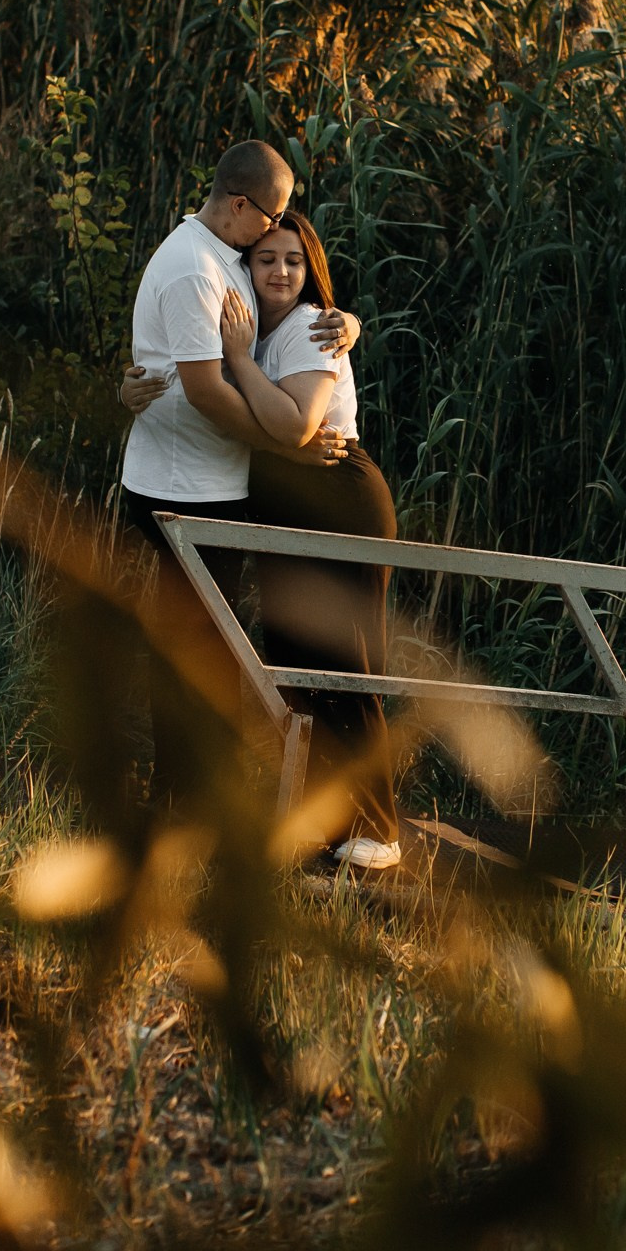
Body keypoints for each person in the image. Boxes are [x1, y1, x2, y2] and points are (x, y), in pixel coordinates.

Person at [117, 141, 357, 811]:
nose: (274, 229)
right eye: (272, 216)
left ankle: (191, 788)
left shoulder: (220, 253)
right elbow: (205, 392)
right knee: (198, 647)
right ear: (241, 204)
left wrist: (348, 322)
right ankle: (186, 794)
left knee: (206, 643)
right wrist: (289, 451)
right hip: (184, 490)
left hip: (209, 482)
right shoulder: (195, 268)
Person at [217, 212, 400, 870]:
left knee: (343, 665)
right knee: (294, 664)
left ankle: (379, 829)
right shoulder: (252, 328)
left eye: (294, 260)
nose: (280, 272)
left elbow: (299, 427)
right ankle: (325, 820)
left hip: (338, 499)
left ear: (310, 268)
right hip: (292, 504)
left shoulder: (310, 328)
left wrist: (241, 363)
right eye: (267, 258)